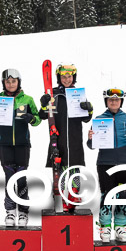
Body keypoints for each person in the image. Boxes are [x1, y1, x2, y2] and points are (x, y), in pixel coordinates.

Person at [0, 68, 40, 226]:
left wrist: (31, 118)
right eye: (7, 82)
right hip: (4, 144)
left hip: (22, 144)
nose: (10, 84)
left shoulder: (27, 99)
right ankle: (10, 212)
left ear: (18, 82)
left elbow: (37, 120)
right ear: (4, 83)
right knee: (9, 176)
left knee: (21, 177)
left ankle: (23, 212)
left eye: (13, 81)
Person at [87, 89, 126, 242]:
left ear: (121, 102)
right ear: (106, 102)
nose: (113, 102)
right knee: (107, 195)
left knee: (123, 196)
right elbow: (91, 146)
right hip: (105, 163)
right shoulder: (98, 119)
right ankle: (104, 227)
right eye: (110, 100)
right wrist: (90, 138)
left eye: (116, 100)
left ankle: (120, 226)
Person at [39, 64, 93, 213]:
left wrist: (89, 108)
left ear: (73, 77)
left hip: (75, 141)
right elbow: (43, 115)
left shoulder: (78, 94)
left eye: (69, 77)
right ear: (59, 78)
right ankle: (61, 199)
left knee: (75, 169)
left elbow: (86, 119)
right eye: (63, 77)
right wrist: (44, 104)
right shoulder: (53, 94)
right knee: (61, 171)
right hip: (58, 140)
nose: (67, 79)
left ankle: (73, 198)